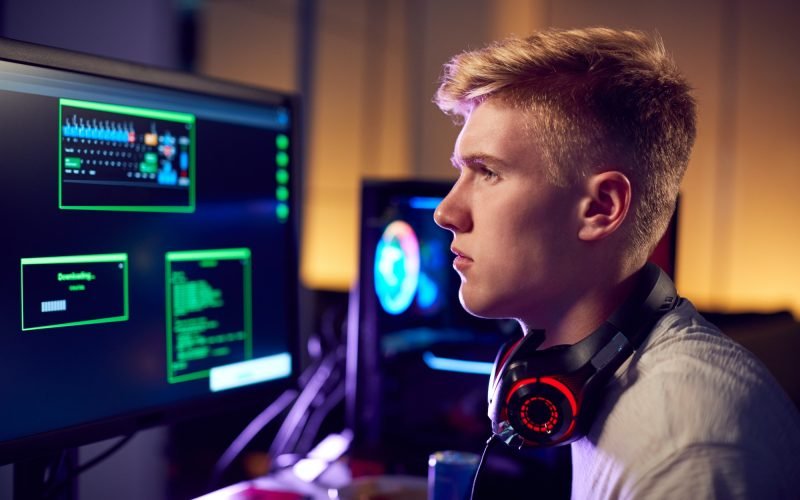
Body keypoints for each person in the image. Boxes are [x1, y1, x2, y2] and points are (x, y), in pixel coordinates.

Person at [432, 27, 800, 498]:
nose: (446, 213)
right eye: (461, 171)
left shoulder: (685, 448)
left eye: (488, 172)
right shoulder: (610, 379)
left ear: (602, 208)